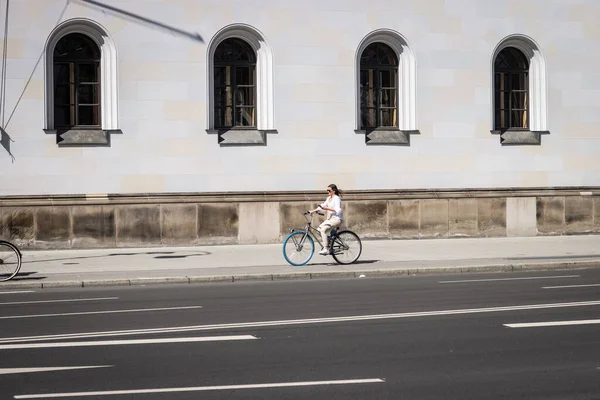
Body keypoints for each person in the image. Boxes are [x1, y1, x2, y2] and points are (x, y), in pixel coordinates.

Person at [310, 184, 344, 255]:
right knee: (318, 230)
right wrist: (312, 211)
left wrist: (327, 208)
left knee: (323, 230)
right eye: (327, 190)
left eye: (329, 190)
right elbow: (322, 207)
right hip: (330, 219)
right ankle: (329, 242)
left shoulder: (336, 198)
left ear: (333, 191)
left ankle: (326, 248)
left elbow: (338, 210)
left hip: (337, 219)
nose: (328, 192)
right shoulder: (328, 198)